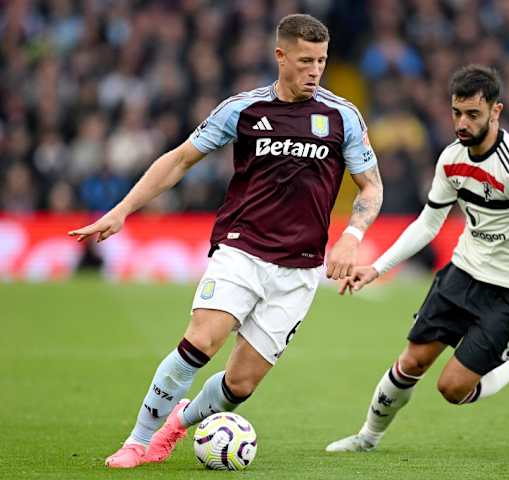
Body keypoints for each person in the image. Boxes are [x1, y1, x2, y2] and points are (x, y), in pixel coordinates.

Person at [69, 14, 383, 468]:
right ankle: (138, 441)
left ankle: (177, 425)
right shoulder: (244, 110)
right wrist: (121, 211)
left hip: (300, 268)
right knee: (201, 340)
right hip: (242, 249)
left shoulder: (341, 117)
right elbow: (179, 160)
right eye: (305, 61)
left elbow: (370, 186)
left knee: (242, 384)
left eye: (322, 61)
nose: (315, 71)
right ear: (280, 56)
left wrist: (352, 236)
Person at [325, 65, 509, 453]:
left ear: (496, 111)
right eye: (457, 113)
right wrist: (377, 268)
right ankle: (367, 438)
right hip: (463, 275)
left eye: (473, 114)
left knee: (452, 388)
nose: (462, 123)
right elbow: (427, 224)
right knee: (412, 361)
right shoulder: (451, 158)